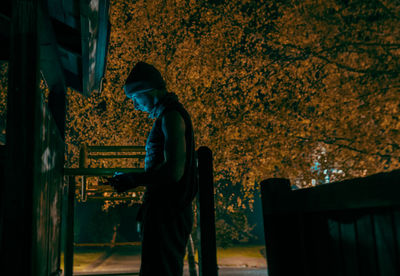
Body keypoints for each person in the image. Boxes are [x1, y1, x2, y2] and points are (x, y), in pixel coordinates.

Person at [105, 62, 197, 276]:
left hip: (168, 213)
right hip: (165, 211)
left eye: (136, 98)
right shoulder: (168, 116)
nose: (136, 106)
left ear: (148, 90)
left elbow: (174, 171)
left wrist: (133, 179)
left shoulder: (171, 117)